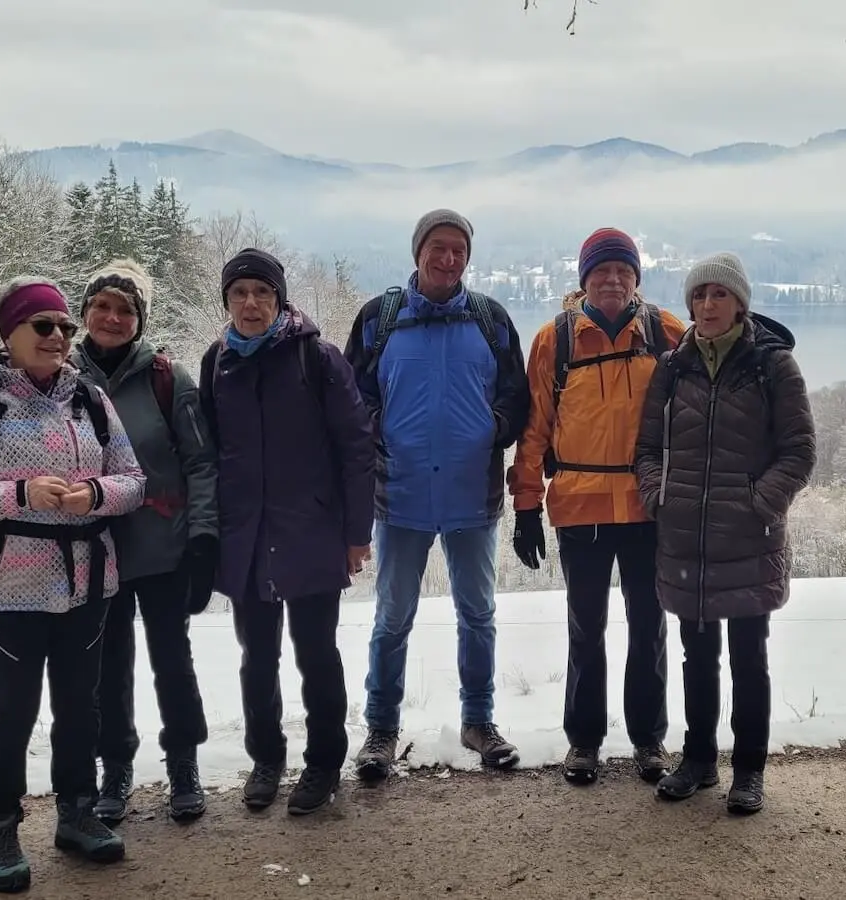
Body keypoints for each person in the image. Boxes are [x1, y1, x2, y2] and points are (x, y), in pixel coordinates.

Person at [0, 277, 146, 892]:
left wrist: (96, 494)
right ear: (9, 333)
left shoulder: (92, 402)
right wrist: (17, 494)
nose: (58, 337)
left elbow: (133, 479)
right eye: (42, 326)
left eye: (64, 328)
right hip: (5, 586)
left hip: (89, 581)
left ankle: (77, 813)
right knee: (13, 711)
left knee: (81, 704)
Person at [344, 209, 531, 779]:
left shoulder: (490, 319)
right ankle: (381, 728)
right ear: (417, 252)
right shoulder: (381, 318)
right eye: (438, 248)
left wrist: (490, 430)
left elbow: (517, 398)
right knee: (392, 615)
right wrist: (379, 429)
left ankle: (479, 721)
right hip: (398, 495)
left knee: (478, 613)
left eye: (458, 250)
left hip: (472, 494)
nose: (448, 259)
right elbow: (352, 396)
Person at [635, 252, 815, 814]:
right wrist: (657, 496)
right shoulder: (674, 365)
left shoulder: (772, 365)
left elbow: (800, 450)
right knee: (697, 655)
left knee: (748, 656)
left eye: (719, 295)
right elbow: (645, 449)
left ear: (740, 302)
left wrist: (760, 501)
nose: (707, 306)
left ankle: (750, 771)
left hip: (747, 539)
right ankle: (697, 761)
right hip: (686, 537)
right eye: (698, 296)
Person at [198, 247, 375, 815]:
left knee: (316, 652)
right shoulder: (217, 362)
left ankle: (324, 762)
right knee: (257, 656)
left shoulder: (316, 359)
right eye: (239, 294)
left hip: (312, 531)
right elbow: (209, 451)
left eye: (262, 293)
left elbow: (356, 450)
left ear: (279, 300)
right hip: (247, 537)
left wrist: (356, 534)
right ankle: (266, 757)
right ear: (226, 302)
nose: (251, 304)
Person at [507, 227, 687, 786]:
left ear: (636, 278)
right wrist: (527, 506)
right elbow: (535, 429)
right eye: (601, 271)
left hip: (647, 507)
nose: (612, 280)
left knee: (648, 626)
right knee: (585, 628)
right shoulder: (554, 342)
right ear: (584, 279)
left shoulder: (666, 334)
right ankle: (583, 743)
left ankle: (649, 741)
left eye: (623, 272)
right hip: (580, 508)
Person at [71, 259, 216, 824]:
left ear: (140, 319)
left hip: (162, 547)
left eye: (125, 309)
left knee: (172, 660)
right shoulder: (62, 377)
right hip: (92, 550)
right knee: (107, 667)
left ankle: (183, 762)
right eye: (102, 306)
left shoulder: (165, 378)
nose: (112, 317)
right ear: (84, 313)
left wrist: (203, 537)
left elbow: (201, 463)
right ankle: (116, 767)